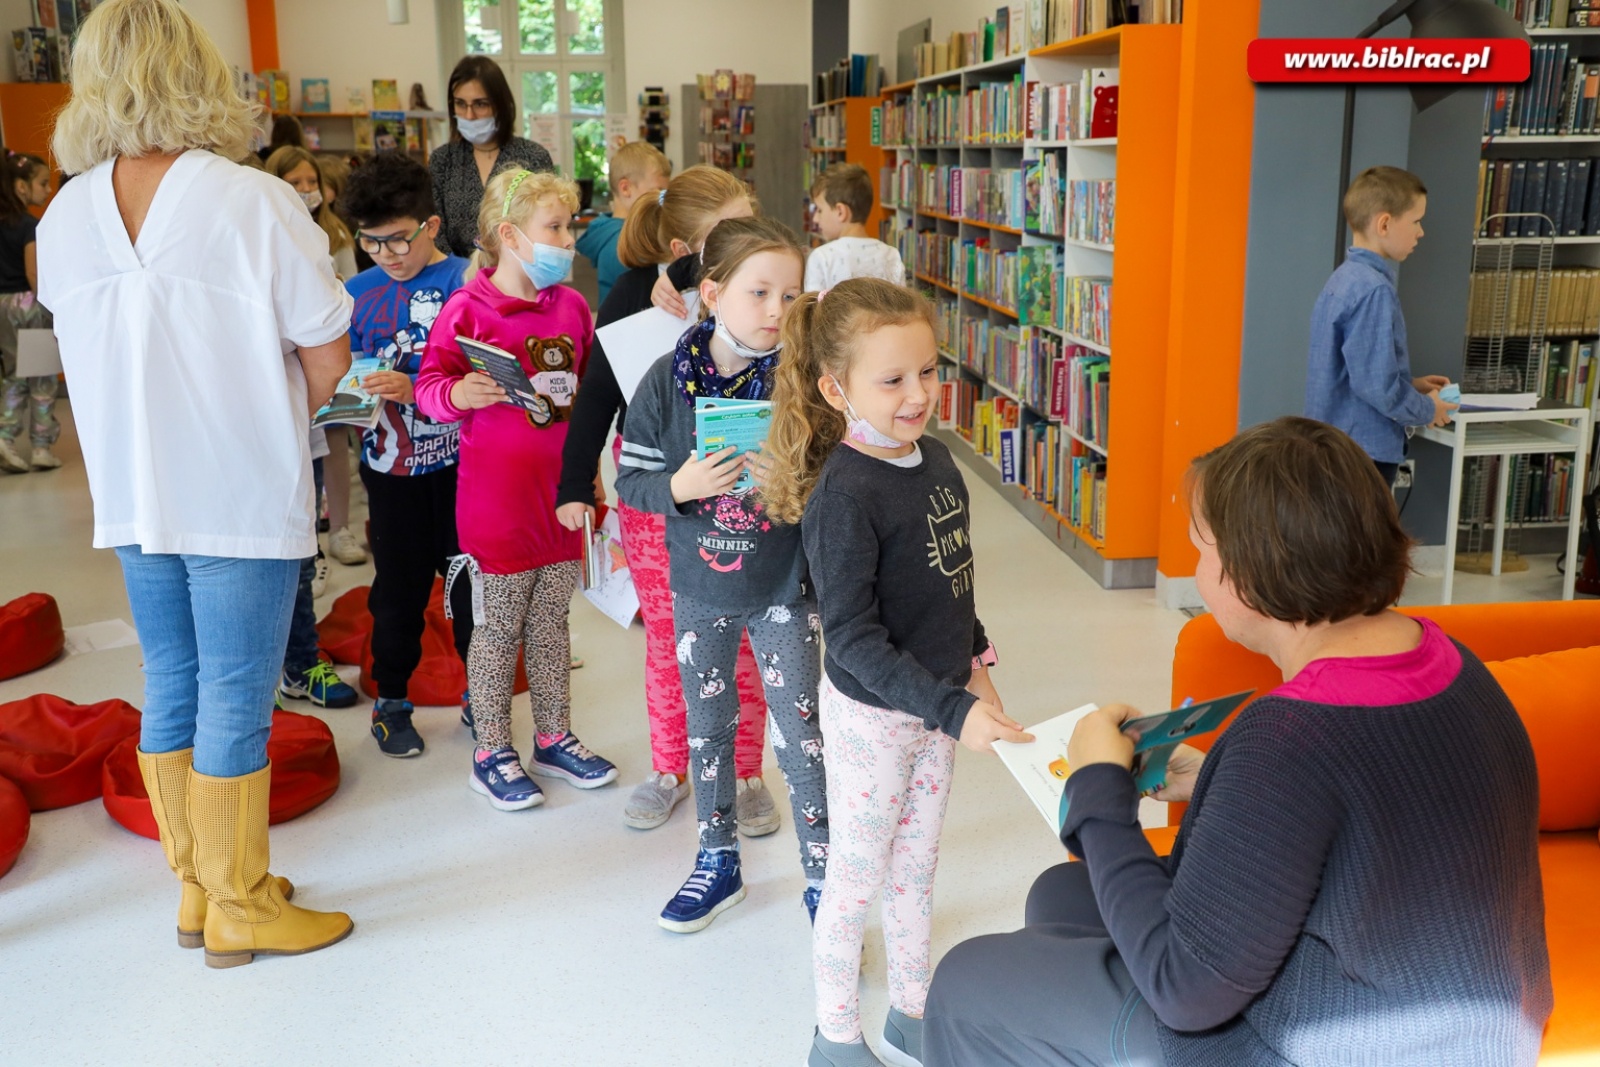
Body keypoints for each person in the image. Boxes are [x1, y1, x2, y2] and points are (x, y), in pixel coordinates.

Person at [922, 416, 1553, 1066]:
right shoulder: (1450, 661)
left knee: (962, 984)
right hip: (1465, 1030)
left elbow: (1184, 988)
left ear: (1249, 576)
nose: (1195, 568)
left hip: (1333, 1043)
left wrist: (1096, 791)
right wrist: (1216, 778)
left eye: (1202, 549)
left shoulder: (1288, 735)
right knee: (1060, 893)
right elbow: (1371, 808)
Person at [38, 0, 354, 967]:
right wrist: (267, 417)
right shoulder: (250, 198)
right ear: (198, 74)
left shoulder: (64, 213)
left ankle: (199, 885)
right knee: (236, 695)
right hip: (236, 491)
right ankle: (242, 901)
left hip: (135, 493)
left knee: (171, 682)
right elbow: (328, 356)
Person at [762, 278, 1022, 1067]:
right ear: (835, 388)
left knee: (916, 869)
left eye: (929, 370)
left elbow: (953, 582)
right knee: (856, 880)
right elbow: (852, 641)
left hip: (938, 707)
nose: (919, 394)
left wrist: (977, 670)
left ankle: (912, 1010)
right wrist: (950, 707)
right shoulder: (843, 494)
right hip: (877, 718)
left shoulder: (938, 462)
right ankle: (835, 1035)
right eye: (893, 379)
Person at [615, 216, 828, 933]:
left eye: (791, 296)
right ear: (710, 293)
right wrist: (680, 485)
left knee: (801, 738)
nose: (777, 311)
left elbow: (839, 479)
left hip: (782, 590)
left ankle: (825, 877)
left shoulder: (806, 379)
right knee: (708, 730)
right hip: (700, 589)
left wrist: (795, 477)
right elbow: (631, 478)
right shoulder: (665, 379)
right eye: (759, 292)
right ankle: (717, 857)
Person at [556, 165, 777, 835]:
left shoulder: (757, 292)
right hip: (657, 492)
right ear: (684, 250)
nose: (743, 242)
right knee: (666, 640)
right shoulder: (631, 293)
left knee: (742, 642)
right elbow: (597, 391)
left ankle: (745, 771)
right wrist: (573, 484)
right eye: (724, 234)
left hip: (741, 484)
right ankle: (669, 768)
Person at [416, 168, 618, 809]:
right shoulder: (466, 310)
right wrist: (456, 393)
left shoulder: (573, 307)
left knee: (553, 625)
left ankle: (554, 736)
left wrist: (591, 482)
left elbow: (588, 398)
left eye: (569, 225)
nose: (567, 239)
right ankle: (491, 749)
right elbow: (427, 389)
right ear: (508, 234)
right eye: (554, 228)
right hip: (497, 504)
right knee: (499, 630)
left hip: (561, 496)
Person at [328, 151, 474, 755]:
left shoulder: (468, 283)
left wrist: (419, 387)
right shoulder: (352, 296)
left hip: (467, 470)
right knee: (399, 593)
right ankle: (392, 701)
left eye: (397, 242)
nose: (385, 256)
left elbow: (486, 373)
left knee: (472, 592)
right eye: (370, 244)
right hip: (391, 475)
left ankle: (482, 699)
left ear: (431, 226)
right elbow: (334, 390)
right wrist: (350, 392)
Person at [1306, 166, 1455, 487]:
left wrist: (1410, 383)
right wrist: (1427, 409)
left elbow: (1353, 373)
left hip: (1334, 447)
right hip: (1362, 454)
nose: (1421, 232)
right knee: (1362, 538)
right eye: (1416, 221)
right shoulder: (1374, 290)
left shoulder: (1343, 280)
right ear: (1385, 223)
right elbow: (1377, 387)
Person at [264, 145, 364, 567]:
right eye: (295, 183)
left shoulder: (336, 232)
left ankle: (339, 527)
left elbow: (349, 290)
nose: (306, 190)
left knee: (334, 440)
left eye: (311, 182)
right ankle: (308, 543)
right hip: (288, 363)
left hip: (332, 353)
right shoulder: (269, 230)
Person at [430, 55, 555, 259]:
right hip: (458, 278)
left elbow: (546, 224)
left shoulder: (532, 157)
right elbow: (435, 229)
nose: (469, 115)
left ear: (501, 105)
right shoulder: (443, 160)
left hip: (520, 274)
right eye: (461, 104)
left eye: (480, 104)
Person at [0, 150, 60, 472]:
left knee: (13, 375)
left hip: (1, 307)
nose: (48, 190)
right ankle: (40, 447)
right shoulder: (29, 226)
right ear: (21, 187)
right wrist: (48, 307)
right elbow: (33, 272)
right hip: (27, 305)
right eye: (41, 183)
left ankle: (5, 437)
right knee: (41, 378)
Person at [575, 141, 670, 307]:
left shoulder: (612, 232)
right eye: (657, 191)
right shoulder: (623, 242)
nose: (662, 201)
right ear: (625, 188)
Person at [804, 163, 904, 292]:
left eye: (819, 210)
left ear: (841, 212)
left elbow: (811, 310)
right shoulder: (892, 256)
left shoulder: (822, 258)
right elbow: (903, 309)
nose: (815, 218)